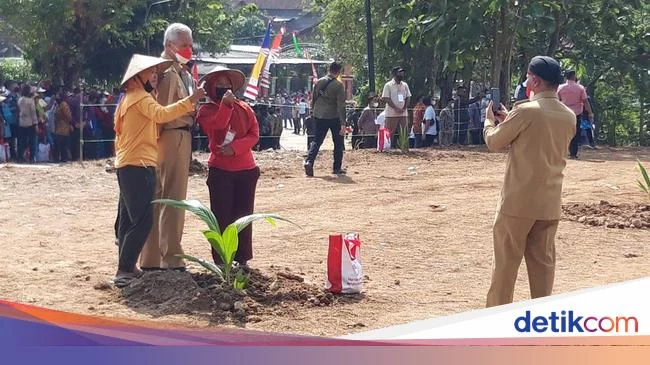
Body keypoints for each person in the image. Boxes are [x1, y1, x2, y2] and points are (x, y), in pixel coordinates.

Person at [483, 56, 576, 307]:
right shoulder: (568, 116)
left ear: (534, 80)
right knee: (543, 268)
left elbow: (494, 142)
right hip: (549, 203)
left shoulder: (524, 111)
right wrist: (509, 120)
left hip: (517, 204)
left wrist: (489, 121)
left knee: (505, 268)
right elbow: (539, 139)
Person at [113, 54, 205, 287]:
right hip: (139, 164)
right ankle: (124, 270)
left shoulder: (127, 98)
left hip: (127, 163)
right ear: (138, 77)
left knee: (127, 219)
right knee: (142, 220)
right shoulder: (141, 98)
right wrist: (191, 100)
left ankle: (126, 267)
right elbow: (162, 114)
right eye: (149, 73)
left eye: (155, 72)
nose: (154, 76)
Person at [140, 23, 198, 272]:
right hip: (171, 137)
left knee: (161, 197)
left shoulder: (176, 70)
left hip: (173, 136)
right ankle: (171, 257)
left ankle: (153, 258)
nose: (189, 49)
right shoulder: (166, 71)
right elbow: (160, 112)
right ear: (169, 46)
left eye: (190, 43)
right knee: (172, 199)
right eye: (184, 44)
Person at [196, 65, 260, 268]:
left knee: (244, 216)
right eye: (219, 85)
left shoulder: (245, 108)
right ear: (212, 88)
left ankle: (242, 259)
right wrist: (226, 106)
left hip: (247, 169)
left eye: (227, 84)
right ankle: (222, 260)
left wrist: (235, 148)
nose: (224, 88)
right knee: (221, 216)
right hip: (221, 171)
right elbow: (217, 125)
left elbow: (254, 134)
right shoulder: (205, 110)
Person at [303, 61, 347, 177]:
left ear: (329, 69)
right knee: (338, 142)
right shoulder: (338, 85)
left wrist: (313, 111)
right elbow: (341, 105)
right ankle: (337, 168)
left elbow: (314, 98)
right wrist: (343, 122)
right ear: (338, 71)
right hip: (334, 116)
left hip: (319, 115)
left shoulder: (319, 81)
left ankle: (309, 161)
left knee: (317, 140)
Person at [558, 70, 593, 159]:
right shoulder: (580, 88)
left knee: (563, 132)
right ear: (574, 76)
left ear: (566, 77)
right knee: (575, 132)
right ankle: (573, 153)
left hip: (563, 112)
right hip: (576, 113)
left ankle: (561, 152)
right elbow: (585, 101)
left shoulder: (560, 88)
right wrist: (590, 112)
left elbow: (557, 100)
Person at [381, 66, 411, 147]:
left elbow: (408, 97)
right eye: (400, 72)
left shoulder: (405, 85)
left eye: (402, 72)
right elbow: (386, 98)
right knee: (389, 132)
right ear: (394, 74)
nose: (402, 74)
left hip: (403, 113)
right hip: (391, 114)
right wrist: (395, 108)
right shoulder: (388, 85)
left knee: (404, 132)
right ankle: (387, 148)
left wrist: (404, 108)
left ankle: (404, 148)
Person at [17, 84, 38, 162]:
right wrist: (36, 124)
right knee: (32, 141)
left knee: (22, 141)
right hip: (30, 123)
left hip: (21, 122)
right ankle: (32, 158)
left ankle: (20, 157)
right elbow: (33, 113)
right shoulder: (30, 101)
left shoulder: (19, 100)